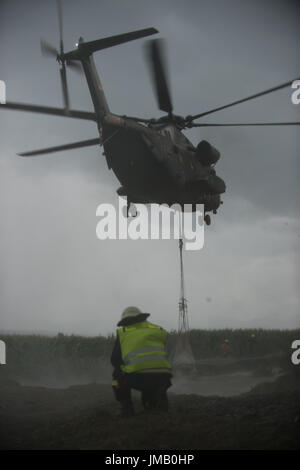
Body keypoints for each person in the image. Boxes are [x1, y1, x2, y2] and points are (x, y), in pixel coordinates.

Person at [111, 306, 172, 416]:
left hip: (138, 378)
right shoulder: (158, 329)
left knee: (116, 375)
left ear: (125, 320)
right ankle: (158, 403)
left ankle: (127, 408)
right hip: (163, 376)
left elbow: (115, 360)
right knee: (154, 378)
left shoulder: (123, 332)